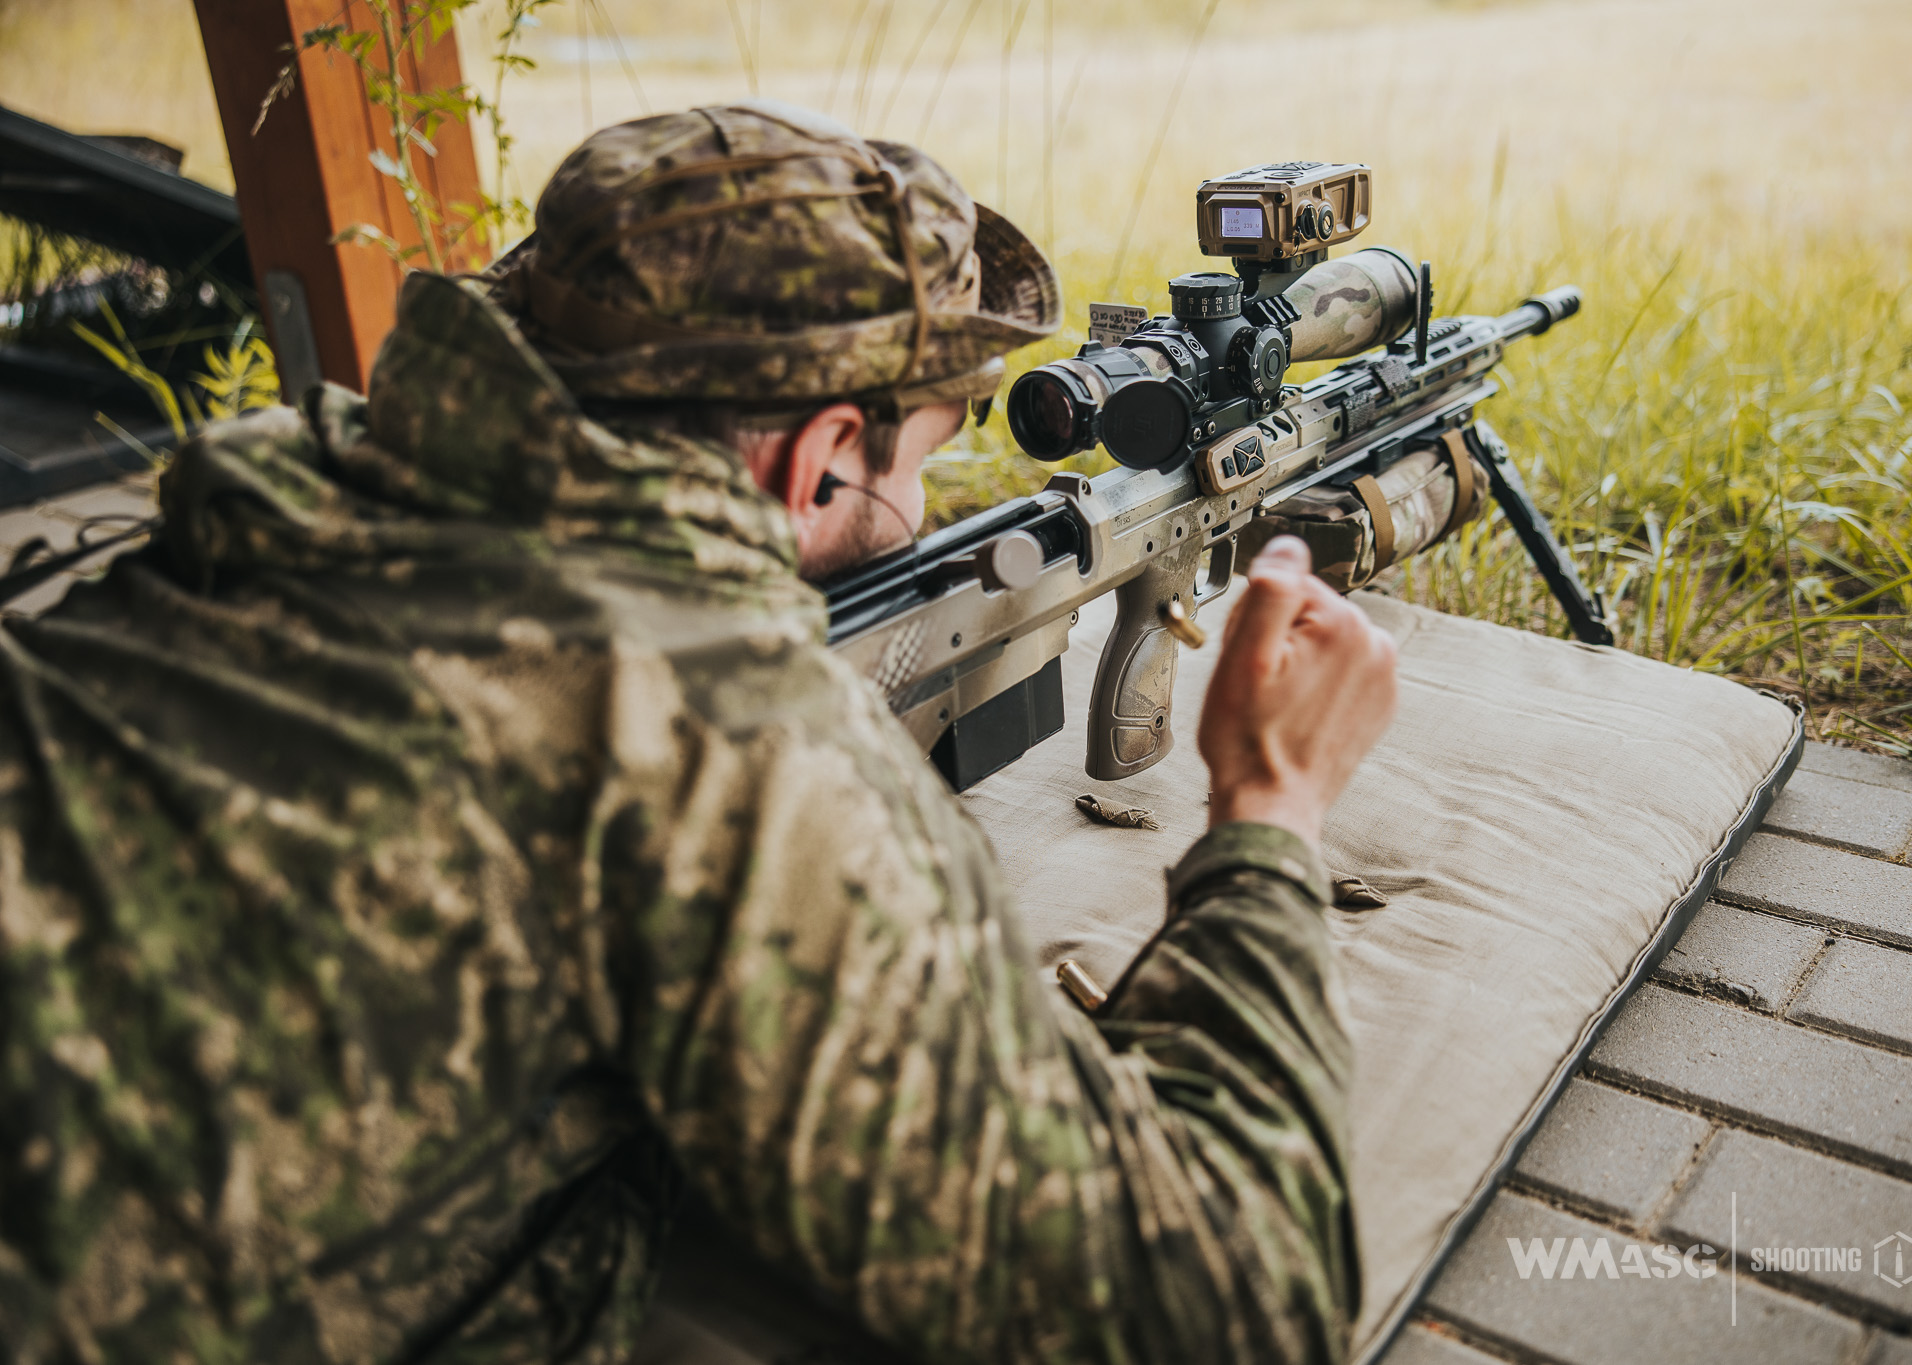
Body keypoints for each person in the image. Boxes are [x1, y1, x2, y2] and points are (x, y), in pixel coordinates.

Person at [0, 100, 1398, 1364]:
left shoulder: (270, 491)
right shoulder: (709, 739)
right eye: (926, 455)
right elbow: (1234, 1302)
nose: (930, 503)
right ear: (817, 456)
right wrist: (1269, 807)